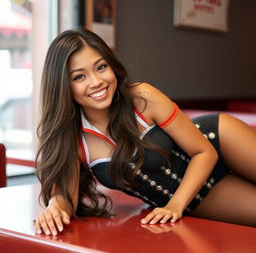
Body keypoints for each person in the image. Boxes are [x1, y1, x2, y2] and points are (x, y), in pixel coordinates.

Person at [35, 28, 256, 236]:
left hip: (219, 140)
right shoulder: (72, 138)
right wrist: (54, 208)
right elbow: (66, 196)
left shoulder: (143, 97)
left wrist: (175, 206)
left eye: (101, 67)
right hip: (191, 194)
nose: (97, 81)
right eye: (79, 77)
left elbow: (204, 152)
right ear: (62, 85)